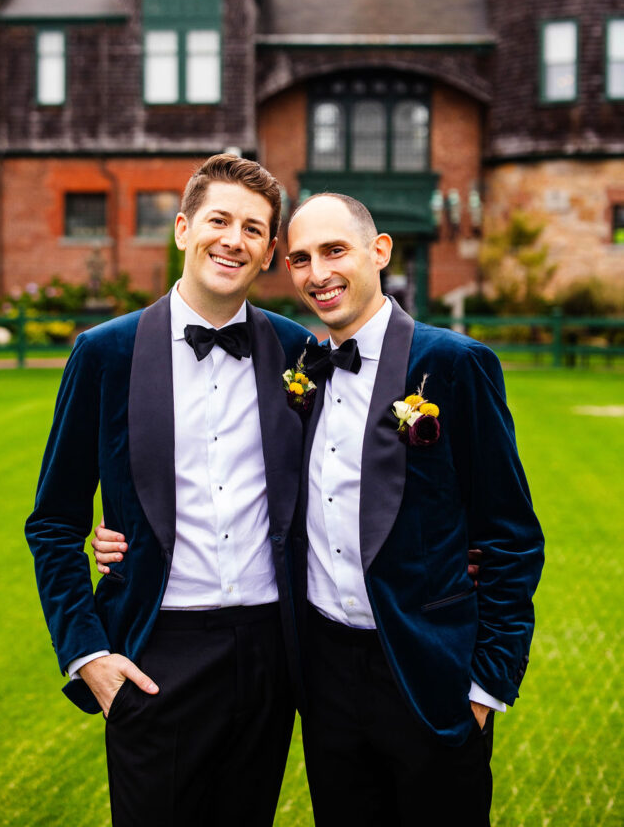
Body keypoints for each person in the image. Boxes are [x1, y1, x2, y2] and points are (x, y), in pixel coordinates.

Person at [95, 191, 544, 827]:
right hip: (321, 674)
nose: (318, 273)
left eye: (335, 251)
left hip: (427, 673)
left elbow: (511, 536)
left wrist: (487, 685)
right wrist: (123, 534)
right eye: (301, 259)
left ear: (379, 251)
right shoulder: (300, 367)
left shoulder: (453, 364)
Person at [25, 154, 312, 827]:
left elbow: (355, 466)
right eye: (218, 219)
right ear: (183, 229)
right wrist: (88, 655)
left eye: (252, 228)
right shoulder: (104, 351)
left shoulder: (302, 354)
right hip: (157, 652)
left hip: (270, 649)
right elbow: (55, 521)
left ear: (270, 251)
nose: (232, 239)